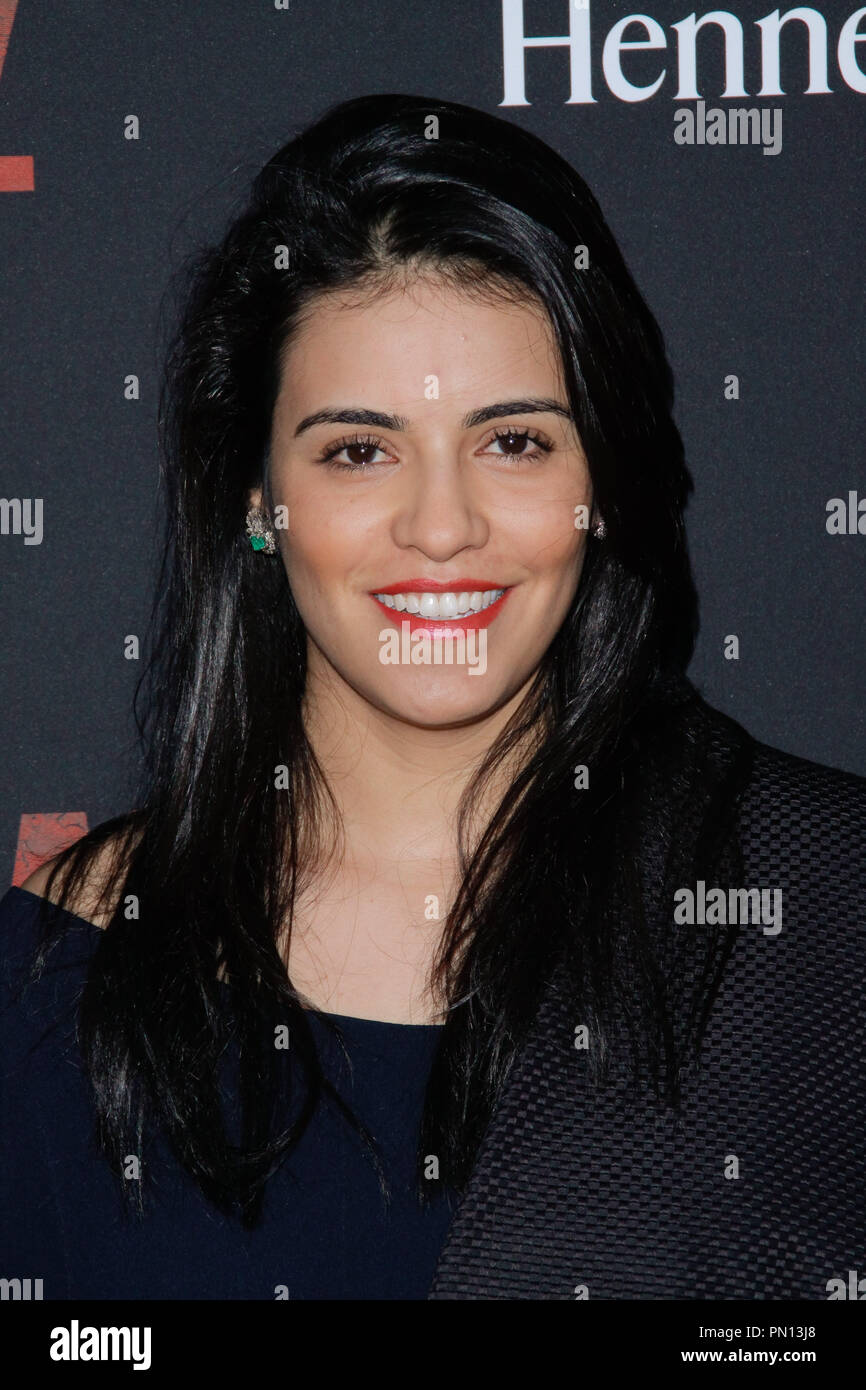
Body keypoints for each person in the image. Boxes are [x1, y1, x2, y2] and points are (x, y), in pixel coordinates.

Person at [1, 92, 863, 1301]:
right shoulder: (60, 978)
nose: (442, 526)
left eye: (513, 441)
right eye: (358, 449)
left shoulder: (821, 909)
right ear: (257, 497)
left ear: (600, 480)